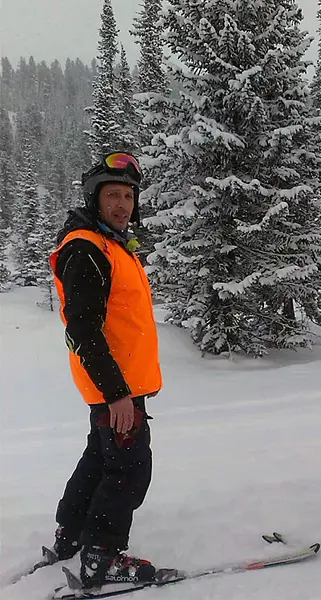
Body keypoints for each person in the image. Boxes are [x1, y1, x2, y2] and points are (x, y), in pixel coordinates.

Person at [48, 152, 162, 588]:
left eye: (128, 196)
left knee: (100, 459)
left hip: (120, 384)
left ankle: (72, 533)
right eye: (112, 194)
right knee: (130, 469)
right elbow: (83, 328)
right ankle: (102, 556)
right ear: (93, 198)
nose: (122, 204)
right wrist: (117, 393)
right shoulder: (87, 248)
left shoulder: (111, 245)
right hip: (115, 387)